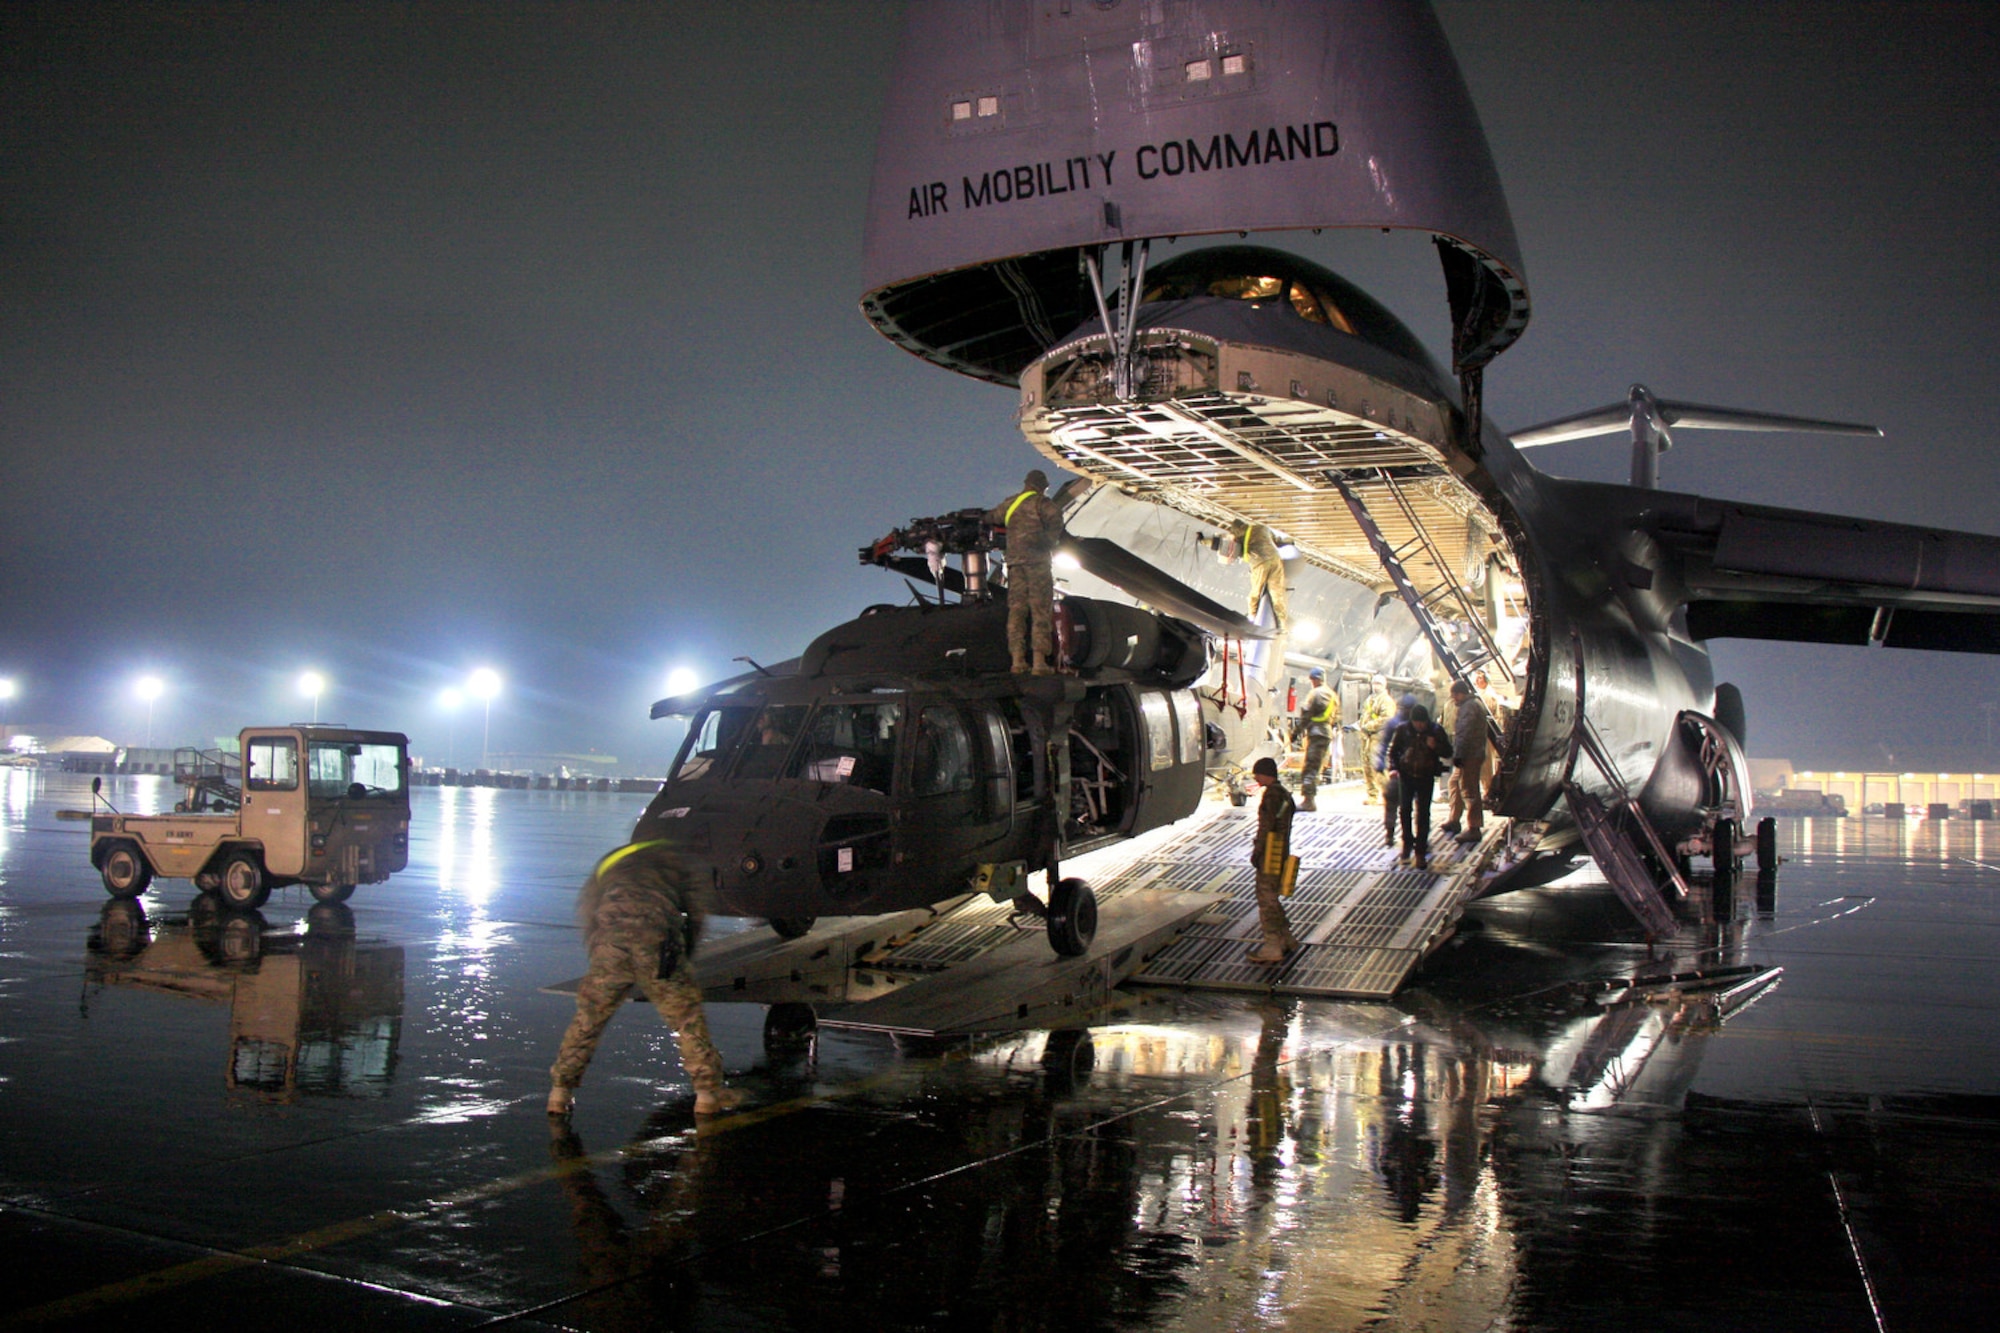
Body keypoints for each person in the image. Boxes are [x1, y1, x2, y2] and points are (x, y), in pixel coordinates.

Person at [548, 840, 743, 1117]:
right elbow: (696, 916)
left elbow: (589, 910)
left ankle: (559, 1093)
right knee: (686, 1019)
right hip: (656, 938)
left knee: (588, 1018)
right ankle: (708, 1095)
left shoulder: (612, 860)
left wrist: (600, 956)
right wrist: (680, 961)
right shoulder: (680, 862)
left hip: (610, 943)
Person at [988, 469, 1069, 675]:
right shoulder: (1042, 504)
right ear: (1041, 486)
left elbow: (991, 517)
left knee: (1016, 611)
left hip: (1015, 565)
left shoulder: (1010, 503)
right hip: (1037, 564)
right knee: (1040, 610)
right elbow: (1056, 523)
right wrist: (1048, 542)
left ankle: (1017, 661)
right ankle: (1039, 662)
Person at [1246, 756, 1300, 963]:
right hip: (1282, 850)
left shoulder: (1271, 796)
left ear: (1263, 774)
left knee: (1266, 898)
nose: (1255, 777)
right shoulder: (1286, 795)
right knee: (1273, 896)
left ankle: (1272, 945)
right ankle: (1286, 937)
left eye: (1257, 774)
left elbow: (1266, 826)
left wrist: (1257, 852)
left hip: (1269, 853)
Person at [1389, 704, 1452, 870]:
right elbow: (1394, 751)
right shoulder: (1403, 730)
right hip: (1406, 775)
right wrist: (1394, 768)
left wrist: (1435, 746)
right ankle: (1407, 842)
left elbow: (1448, 751)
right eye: (1417, 723)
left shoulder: (1435, 730)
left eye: (1422, 723)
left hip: (1426, 776)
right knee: (1404, 810)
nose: (1420, 726)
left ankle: (1421, 850)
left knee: (1423, 812)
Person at [1439, 680, 1488, 844]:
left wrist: (1458, 755)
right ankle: (1454, 820)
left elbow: (1464, 734)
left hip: (1470, 755)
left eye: (1454, 695)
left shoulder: (1469, 707)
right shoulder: (1471, 704)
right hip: (1469, 753)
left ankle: (1474, 828)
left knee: (1469, 789)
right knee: (1454, 783)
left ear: (1460, 693)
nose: (1453, 699)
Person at [1223, 519, 1289, 634]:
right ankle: (1282, 625)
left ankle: (1252, 618)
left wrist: (1203, 540)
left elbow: (1223, 546)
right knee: (1277, 592)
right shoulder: (1262, 527)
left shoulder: (1240, 537)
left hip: (1260, 563)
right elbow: (1278, 540)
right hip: (1275, 559)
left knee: (1255, 593)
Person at [1297, 666, 1339, 811]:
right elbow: (1336, 716)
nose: (1312, 682)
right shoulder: (1333, 695)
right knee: (1317, 766)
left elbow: (1306, 714)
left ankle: (1308, 801)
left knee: (1310, 767)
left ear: (1315, 679)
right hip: (1326, 733)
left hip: (1316, 733)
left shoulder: (1315, 693)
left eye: (1312, 679)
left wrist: (1296, 732)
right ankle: (1310, 798)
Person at [1356, 675, 1396, 803]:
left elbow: (1387, 718)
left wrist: (1369, 726)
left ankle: (1388, 794)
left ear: (1384, 685)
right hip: (1367, 737)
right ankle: (1372, 795)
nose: (1375, 686)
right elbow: (1365, 716)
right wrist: (1360, 726)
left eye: (1378, 683)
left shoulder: (1387, 701)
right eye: (1374, 683)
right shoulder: (1370, 699)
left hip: (1379, 736)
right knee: (1367, 766)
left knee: (1378, 766)